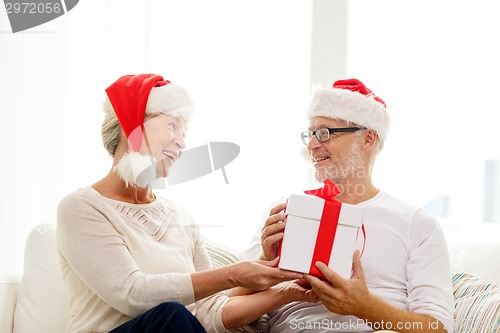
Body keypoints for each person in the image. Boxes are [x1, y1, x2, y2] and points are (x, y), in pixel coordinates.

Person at [57, 73, 318, 333]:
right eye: (172, 126)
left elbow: (208, 312)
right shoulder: (82, 207)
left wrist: (287, 293)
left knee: (179, 317)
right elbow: (132, 295)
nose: (182, 143)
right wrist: (234, 274)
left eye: (184, 131)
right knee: (172, 314)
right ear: (132, 126)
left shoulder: (181, 218)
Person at [242, 78, 455, 333]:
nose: (311, 145)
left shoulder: (417, 224)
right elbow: (226, 302)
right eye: (310, 135)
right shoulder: (285, 210)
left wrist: (364, 306)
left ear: (367, 139)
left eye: (324, 133)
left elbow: (439, 329)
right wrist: (266, 259)